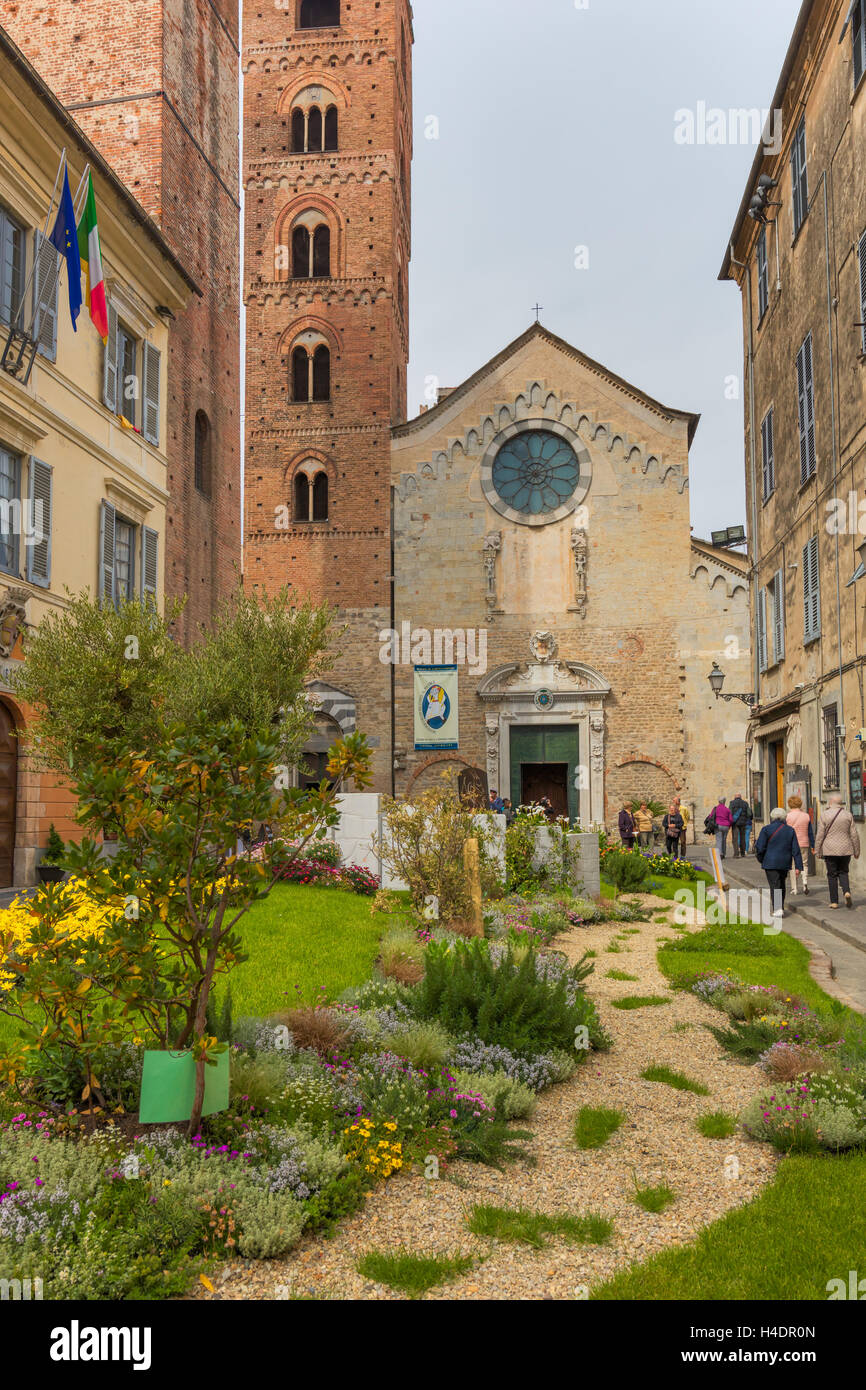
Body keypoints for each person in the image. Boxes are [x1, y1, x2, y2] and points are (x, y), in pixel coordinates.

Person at [814, 794, 860, 909]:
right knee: (844, 872)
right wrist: (856, 850)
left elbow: (820, 835)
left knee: (832, 875)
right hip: (846, 849)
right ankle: (846, 892)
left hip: (830, 849)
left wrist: (817, 850)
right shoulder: (848, 815)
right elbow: (854, 834)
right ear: (840, 803)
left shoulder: (825, 815)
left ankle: (834, 901)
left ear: (830, 802)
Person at [755, 807, 803, 918]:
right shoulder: (790, 830)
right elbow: (796, 849)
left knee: (775, 884)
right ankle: (779, 906)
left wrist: (761, 859)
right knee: (781, 884)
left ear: (772, 817)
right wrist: (798, 866)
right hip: (784, 862)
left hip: (770, 861)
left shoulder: (766, 829)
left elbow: (760, 847)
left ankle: (778, 908)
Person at [786, 796, 814, 896]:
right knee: (804, 864)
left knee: (792, 866)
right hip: (804, 843)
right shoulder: (806, 816)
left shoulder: (787, 816)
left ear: (790, 804)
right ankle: (805, 882)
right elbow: (810, 832)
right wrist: (813, 845)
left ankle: (795, 888)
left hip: (791, 844)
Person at [729, 793, 750, 859]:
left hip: (735, 823)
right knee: (742, 838)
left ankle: (736, 854)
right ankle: (743, 853)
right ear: (740, 797)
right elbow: (748, 813)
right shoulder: (745, 803)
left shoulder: (732, 803)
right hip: (743, 823)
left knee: (735, 838)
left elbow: (730, 813)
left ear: (735, 797)